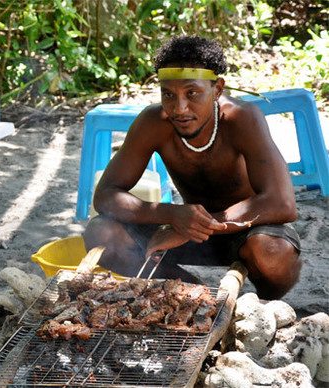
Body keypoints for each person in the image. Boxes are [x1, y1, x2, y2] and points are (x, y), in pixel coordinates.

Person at [82, 35, 301, 300]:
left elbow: (282, 203)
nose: (179, 108)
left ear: (217, 89)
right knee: (101, 232)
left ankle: (260, 305)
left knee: (273, 253)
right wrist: (173, 215)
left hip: (245, 230)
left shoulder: (242, 119)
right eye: (168, 94)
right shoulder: (153, 123)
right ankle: (195, 295)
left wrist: (195, 225)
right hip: (186, 230)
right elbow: (105, 196)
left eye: (192, 93)